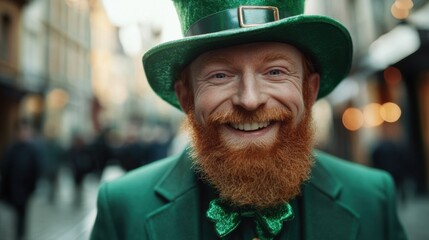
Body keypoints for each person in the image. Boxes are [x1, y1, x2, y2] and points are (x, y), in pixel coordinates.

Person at [90, 0, 407, 239]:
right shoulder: (122, 208)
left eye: (275, 72)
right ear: (187, 97)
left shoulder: (373, 199)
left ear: (309, 91)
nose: (250, 99)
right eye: (220, 75)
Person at [0, 120, 41, 240]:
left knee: (22, 215)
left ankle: (20, 234)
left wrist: (32, 188)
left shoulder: (31, 151)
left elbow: (35, 170)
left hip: (25, 190)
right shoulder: (11, 149)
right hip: (12, 190)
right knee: (11, 216)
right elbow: (5, 169)